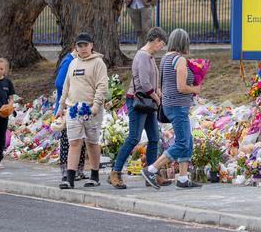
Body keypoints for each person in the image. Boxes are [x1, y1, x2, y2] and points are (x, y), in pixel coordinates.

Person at [109, 27, 170, 189]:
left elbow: (152, 80)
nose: (161, 47)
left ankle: (151, 173)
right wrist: (157, 98)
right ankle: (115, 172)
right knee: (134, 138)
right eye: (161, 44)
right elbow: (143, 83)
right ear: (156, 40)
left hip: (147, 102)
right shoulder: (143, 56)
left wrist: (158, 93)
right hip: (139, 101)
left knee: (154, 138)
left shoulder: (149, 56)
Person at [141, 28, 202, 189]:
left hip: (168, 104)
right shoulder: (180, 60)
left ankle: (182, 178)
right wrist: (195, 89)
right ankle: (152, 169)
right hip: (178, 105)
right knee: (182, 142)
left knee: (187, 140)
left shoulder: (166, 58)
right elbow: (181, 87)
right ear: (184, 43)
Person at [56, 33, 108, 189]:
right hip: (73, 109)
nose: (83, 48)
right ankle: (69, 178)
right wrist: (61, 107)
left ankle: (94, 175)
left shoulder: (98, 63)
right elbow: (66, 86)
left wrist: (96, 106)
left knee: (92, 143)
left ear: (91, 45)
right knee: (74, 142)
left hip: (91, 109)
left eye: (86, 45)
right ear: (76, 47)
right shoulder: (73, 63)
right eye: (80, 46)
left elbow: (102, 86)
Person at [54, 46, 87, 181]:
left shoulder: (80, 61)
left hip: (79, 106)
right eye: (82, 47)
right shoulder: (69, 61)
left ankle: (78, 170)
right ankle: (67, 170)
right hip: (68, 106)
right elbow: (59, 83)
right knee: (69, 140)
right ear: (76, 48)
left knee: (81, 139)